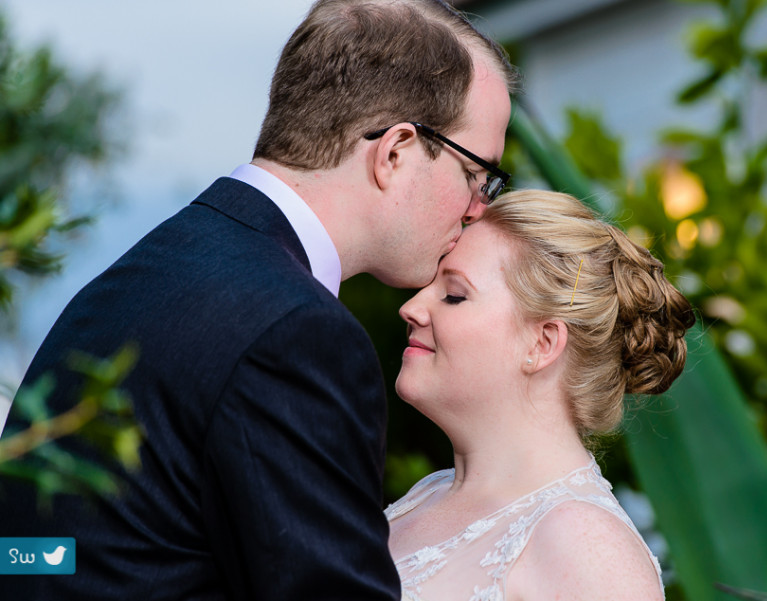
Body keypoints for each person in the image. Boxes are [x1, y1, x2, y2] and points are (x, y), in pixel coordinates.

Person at [2, 1, 516, 599]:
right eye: (479, 173)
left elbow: (40, 559)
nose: (480, 208)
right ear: (395, 150)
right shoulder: (295, 332)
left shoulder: (151, 270)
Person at [386, 189, 696, 601]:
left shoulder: (588, 547)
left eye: (454, 295)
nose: (412, 307)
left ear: (542, 343)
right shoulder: (426, 495)